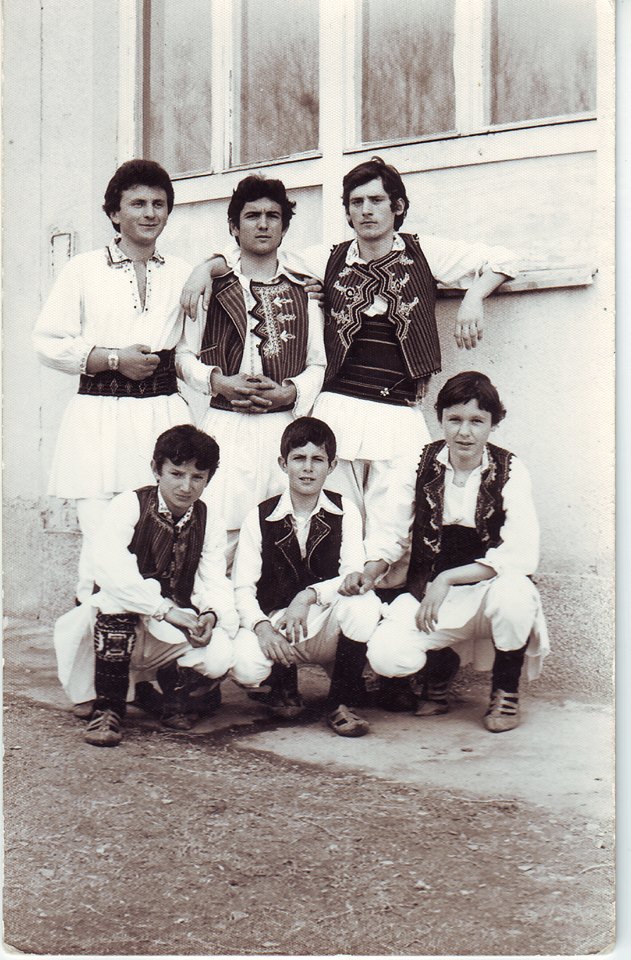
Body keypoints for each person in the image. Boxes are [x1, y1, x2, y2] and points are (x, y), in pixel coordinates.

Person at [180, 157, 518, 589]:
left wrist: (473, 297)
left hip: (398, 411)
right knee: (338, 523)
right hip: (337, 410)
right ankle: (334, 612)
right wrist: (203, 269)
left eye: (376, 200)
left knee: (398, 523)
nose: (366, 211)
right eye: (356, 202)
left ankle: (381, 613)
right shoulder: (327, 258)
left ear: (397, 206)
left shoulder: (424, 252)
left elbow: (507, 258)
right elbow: (258, 253)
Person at [33, 159, 195, 603]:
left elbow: (188, 352)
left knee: (157, 545)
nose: (150, 213)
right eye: (137, 203)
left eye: (159, 204)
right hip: (99, 422)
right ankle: (95, 645)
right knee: (101, 551)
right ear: (113, 213)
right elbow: (47, 342)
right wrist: (111, 359)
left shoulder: (182, 272)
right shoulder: (84, 269)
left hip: (161, 416)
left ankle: (151, 644)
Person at [365, 371, 549, 732]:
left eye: (477, 421)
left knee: (516, 594)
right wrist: (372, 569)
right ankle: (440, 668)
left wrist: (447, 578)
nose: (465, 432)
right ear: (441, 419)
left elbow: (519, 554)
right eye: (455, 419)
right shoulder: (417, 463)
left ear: (493, 423)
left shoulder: (511, 469)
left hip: (488, 592)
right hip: (432, 596)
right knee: (386, 656)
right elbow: (390, 532)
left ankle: (506, 691)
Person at [53, 425, 240, 747]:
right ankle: (108, 709)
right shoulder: (129, 504)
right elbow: (112, 571)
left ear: (209, 478)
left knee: (221, 654)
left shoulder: (210, 519)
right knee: (113, 600)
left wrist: (210, 614)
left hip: (168, 627)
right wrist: (164, 609)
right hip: (120, 622)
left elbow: (214, 578)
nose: (186, 486)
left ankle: (168, 696)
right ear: (156, 469)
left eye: (198, 477)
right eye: (176, 474)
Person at [176, 175, 326, 568]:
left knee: (281, 535)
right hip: (225, 426)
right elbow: (183, 355)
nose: (262, 224)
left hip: (281, 429)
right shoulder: (212, 286)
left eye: (272, 216)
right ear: (234, 226)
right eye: (252, 215)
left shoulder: (305, 288)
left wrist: (290, 392)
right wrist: (218, 382)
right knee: (218, 533)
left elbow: (318, 362)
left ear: (284, 227)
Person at [230, 417, 382, 737]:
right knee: (246, 665)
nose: (308, 468)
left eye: (318, 459)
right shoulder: (260, 516)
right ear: (283, 463)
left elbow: (352, 575)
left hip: (325, 622)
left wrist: (307, 596)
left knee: (363, 603)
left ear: (332, 465)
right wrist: (262, 629)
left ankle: (341, 702)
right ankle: (283, 686)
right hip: (279, 626)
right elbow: (242, 587)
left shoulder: (345, 510)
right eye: (299, 458)